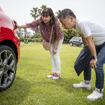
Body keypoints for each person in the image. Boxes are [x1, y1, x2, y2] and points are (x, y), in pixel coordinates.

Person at [57, 9, 105, 101]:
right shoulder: (76, 27)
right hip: (98, 44)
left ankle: (98, 91)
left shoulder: (82, 23)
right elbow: (83, 38)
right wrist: (86, 52)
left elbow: (90, 40)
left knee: (97, 64)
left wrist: (94, 58)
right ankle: (86, 83)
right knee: (86, 59)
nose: (63, 26)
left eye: (63, 23)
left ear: (71, 19)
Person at [16, 8, 64, 79]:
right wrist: (19, 26)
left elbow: (58, 36)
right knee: (51, 55)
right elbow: (30, 24)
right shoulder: (40, 20)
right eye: (43, 16)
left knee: (55, 54)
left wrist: (55, 48)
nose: (44, 18)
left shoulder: (55, 23)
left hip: (58, 39)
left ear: (50, 17)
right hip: (50, 40)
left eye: (46, 17)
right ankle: (53, 72)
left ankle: (58, 73)